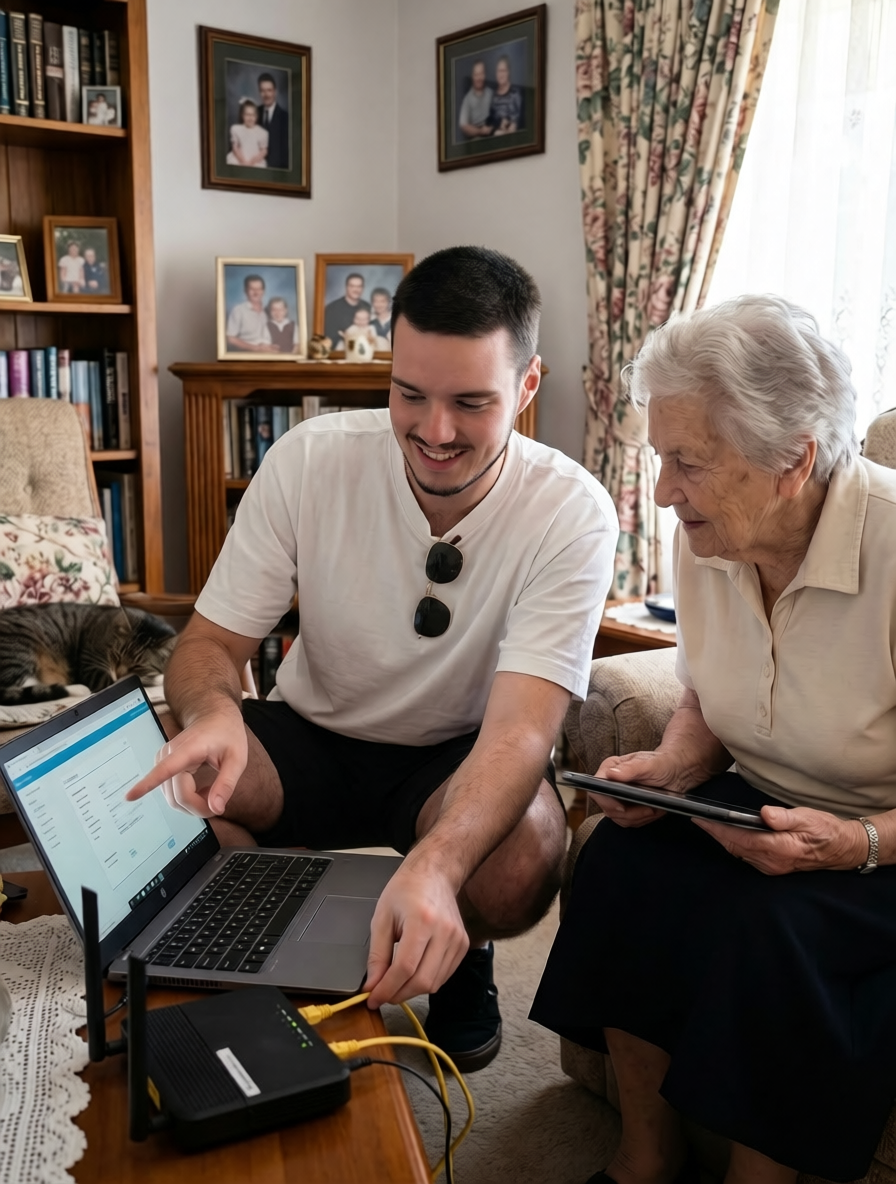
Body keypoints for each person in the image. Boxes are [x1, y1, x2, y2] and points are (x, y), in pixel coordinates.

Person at [126, 245, 618, 1073]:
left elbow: (521, 737)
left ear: (527, 389)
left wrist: (436, 865)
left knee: (526, 849)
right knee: (171, 797)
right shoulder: (309, 460)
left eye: (471, 402)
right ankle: (282, 935)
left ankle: (454, 946)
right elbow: (209, 645)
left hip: (457, 753)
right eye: (410, 394)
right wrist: (214, 714)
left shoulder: (572, 512)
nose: (435, 431)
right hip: (309, 736)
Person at [531, 294, 896, 1184]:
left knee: (771, 925)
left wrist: (857, 841)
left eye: (688, 462)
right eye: (661, 458)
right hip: (769, 806)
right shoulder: (715, 532)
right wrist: (673, 763)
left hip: (879, 839)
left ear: (792, 461)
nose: (662, 492)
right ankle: (643, 1155)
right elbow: (705, 688)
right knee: (620, 861)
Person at [226, 274, 278, 353]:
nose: (256, 292)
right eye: (252, 289)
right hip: (247, 356)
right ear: (245, 291)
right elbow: (230, 338)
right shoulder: (238, 310)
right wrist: (256, 348)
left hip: (269, 355)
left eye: (259, 289)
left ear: (263, 291)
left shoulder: (270, 311)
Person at [323, 273, 370, 349]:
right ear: (346, 287)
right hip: (340, 353)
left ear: (363, 288)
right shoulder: (332, 309)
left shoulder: (367, 307)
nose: (356, 290)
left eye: (359, 286)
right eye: (352, 286)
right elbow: (329, 340)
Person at [257, 73, 289, 170]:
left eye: (269, 90)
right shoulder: (253, 114)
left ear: (275, 92)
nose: (266, 95)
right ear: (259, 92)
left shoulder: (286, 118)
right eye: (262, 91)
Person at [226, 98, 269, 168]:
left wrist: (251, 162)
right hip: (239, 158)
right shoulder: (236, 129)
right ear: (242, 115)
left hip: (255, 160)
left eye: (253, 115)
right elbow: (235, 147)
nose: (250, 118)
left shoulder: (263, 132)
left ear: (256, 116)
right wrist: (243, 161)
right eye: (247, 115)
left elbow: (264, 151)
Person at [458, 60, 493, 139]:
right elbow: (463, 126)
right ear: (472, 76)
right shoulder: (467, 99)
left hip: (492, 132)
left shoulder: (491, 94)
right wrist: (480, 131)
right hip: (476, 137)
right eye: (476, 74)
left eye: (481, 74)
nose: (478, 78)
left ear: (485, 75)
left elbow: (499, 113)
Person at [490, 55, 523, 135]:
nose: (501, 74)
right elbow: (489, 121)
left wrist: (513, 125)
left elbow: (520, 120)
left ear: (508, 72)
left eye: (503, 70)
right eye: (498, 71)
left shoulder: (516, 94)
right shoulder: (491, 96)